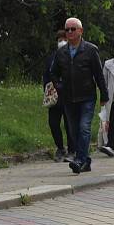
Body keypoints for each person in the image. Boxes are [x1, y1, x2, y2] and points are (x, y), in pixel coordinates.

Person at [50, 17, 109, 174]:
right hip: (68, 98)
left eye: (73, 29)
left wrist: (104, 95)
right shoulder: (61, 52)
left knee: (84, 128)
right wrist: (59, 86)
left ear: (80, 31)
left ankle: (79, 160)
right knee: (74, 130)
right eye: (67, 29)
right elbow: (53, 73)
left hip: (87, 96)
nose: (69, 32)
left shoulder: (90, 50)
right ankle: (86, 161)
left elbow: (98, 74)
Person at [43, 30, 75, 162]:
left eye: (64, 39)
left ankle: (72, 149)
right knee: (53, 123)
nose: (62, 42)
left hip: (69, 95)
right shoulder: (51, 58)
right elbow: (46, 75)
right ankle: (60, 147)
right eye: (59, 40)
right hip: (55, 96)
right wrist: (47, 90)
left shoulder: (73, 55)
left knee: (70, 124)